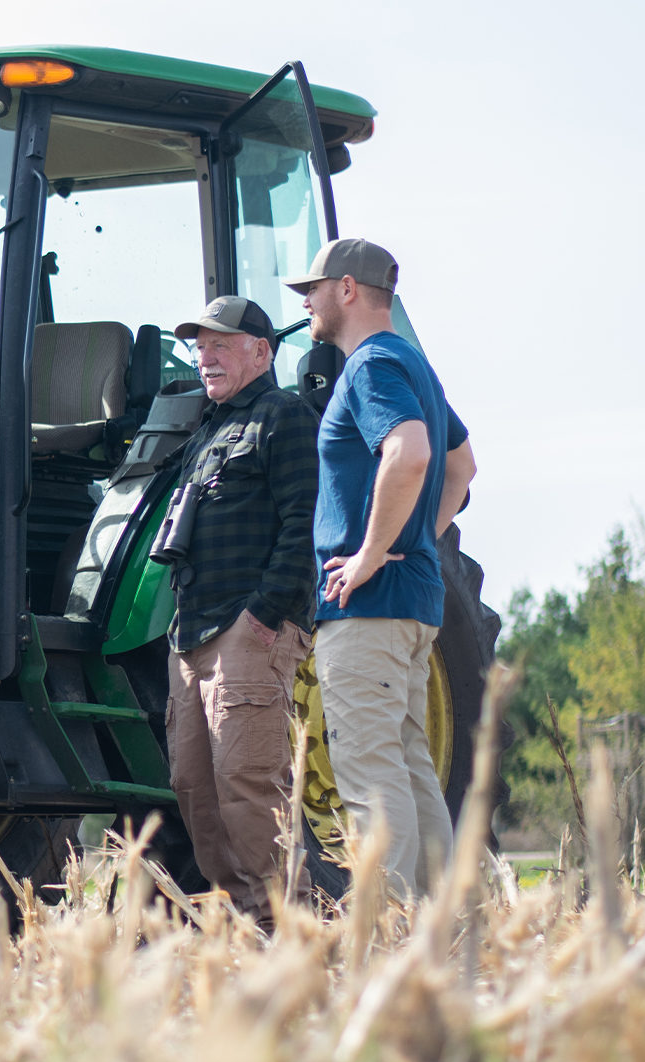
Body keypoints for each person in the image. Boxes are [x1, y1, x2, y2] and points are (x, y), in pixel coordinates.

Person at [285, 238, 477, 898]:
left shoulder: (368, 367)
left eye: (311, 288)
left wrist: (369, 552)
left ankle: (390, 936)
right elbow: (463, 465)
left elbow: (413, 453)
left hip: (367, 608)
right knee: (410, 765)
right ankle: (443, 932)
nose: (305, 302)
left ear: (346, 290)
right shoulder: (415, 367)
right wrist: (420, 537)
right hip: (414, 602)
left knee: (367, 772)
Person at [160, 296, 320, 928]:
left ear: (262, 351)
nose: (207, 357)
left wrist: (265, 615)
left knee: (247, 788)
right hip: (192, 633)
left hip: (245, 630)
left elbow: (306, 524)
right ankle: (245, 930)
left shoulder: (284, 417)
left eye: (221, 344)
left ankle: (289, 932)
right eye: (200, 347)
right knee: (196, 792)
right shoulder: (209, 430)